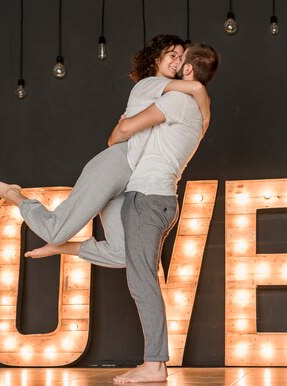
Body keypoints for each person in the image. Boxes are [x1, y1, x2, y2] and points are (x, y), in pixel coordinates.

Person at [0, 35, 209, 269]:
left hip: (132, 181)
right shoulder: (150, 84)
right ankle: (14, 195)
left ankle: (60, 249)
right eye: (172, 55)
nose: (177, 62)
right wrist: (206, 116)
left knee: (125, 255)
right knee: (55, 230)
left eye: (181, 58)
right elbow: (195, 87)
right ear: (156, 58)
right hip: (116, 165)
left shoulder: (170, 97)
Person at [110, 43, 220, 383]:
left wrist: (119, 127)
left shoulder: (176, 100)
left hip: (147, 196)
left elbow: (123, 133)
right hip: (163, 199)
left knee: (142, 281)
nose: (174, 64)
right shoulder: (200, 110)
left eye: (180, 60)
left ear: (188, 71)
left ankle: (155, 364)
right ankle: (154, 361)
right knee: (136, 273)